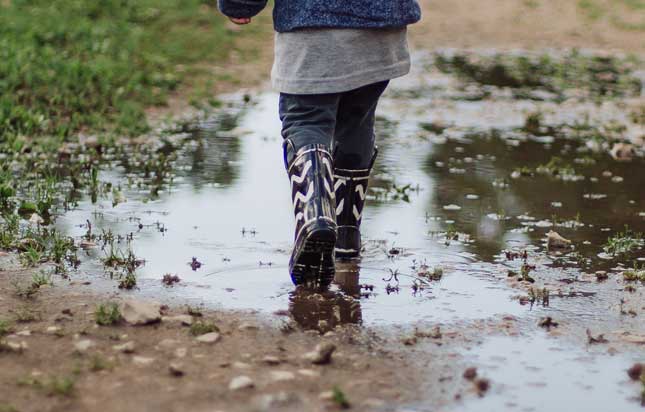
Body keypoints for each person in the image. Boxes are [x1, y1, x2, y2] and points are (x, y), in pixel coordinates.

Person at [217, 0, 421, 287]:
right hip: (382, 27)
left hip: (312, 25)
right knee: (357, 120)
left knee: (305, 118)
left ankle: (316, 219)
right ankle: (346, 241)